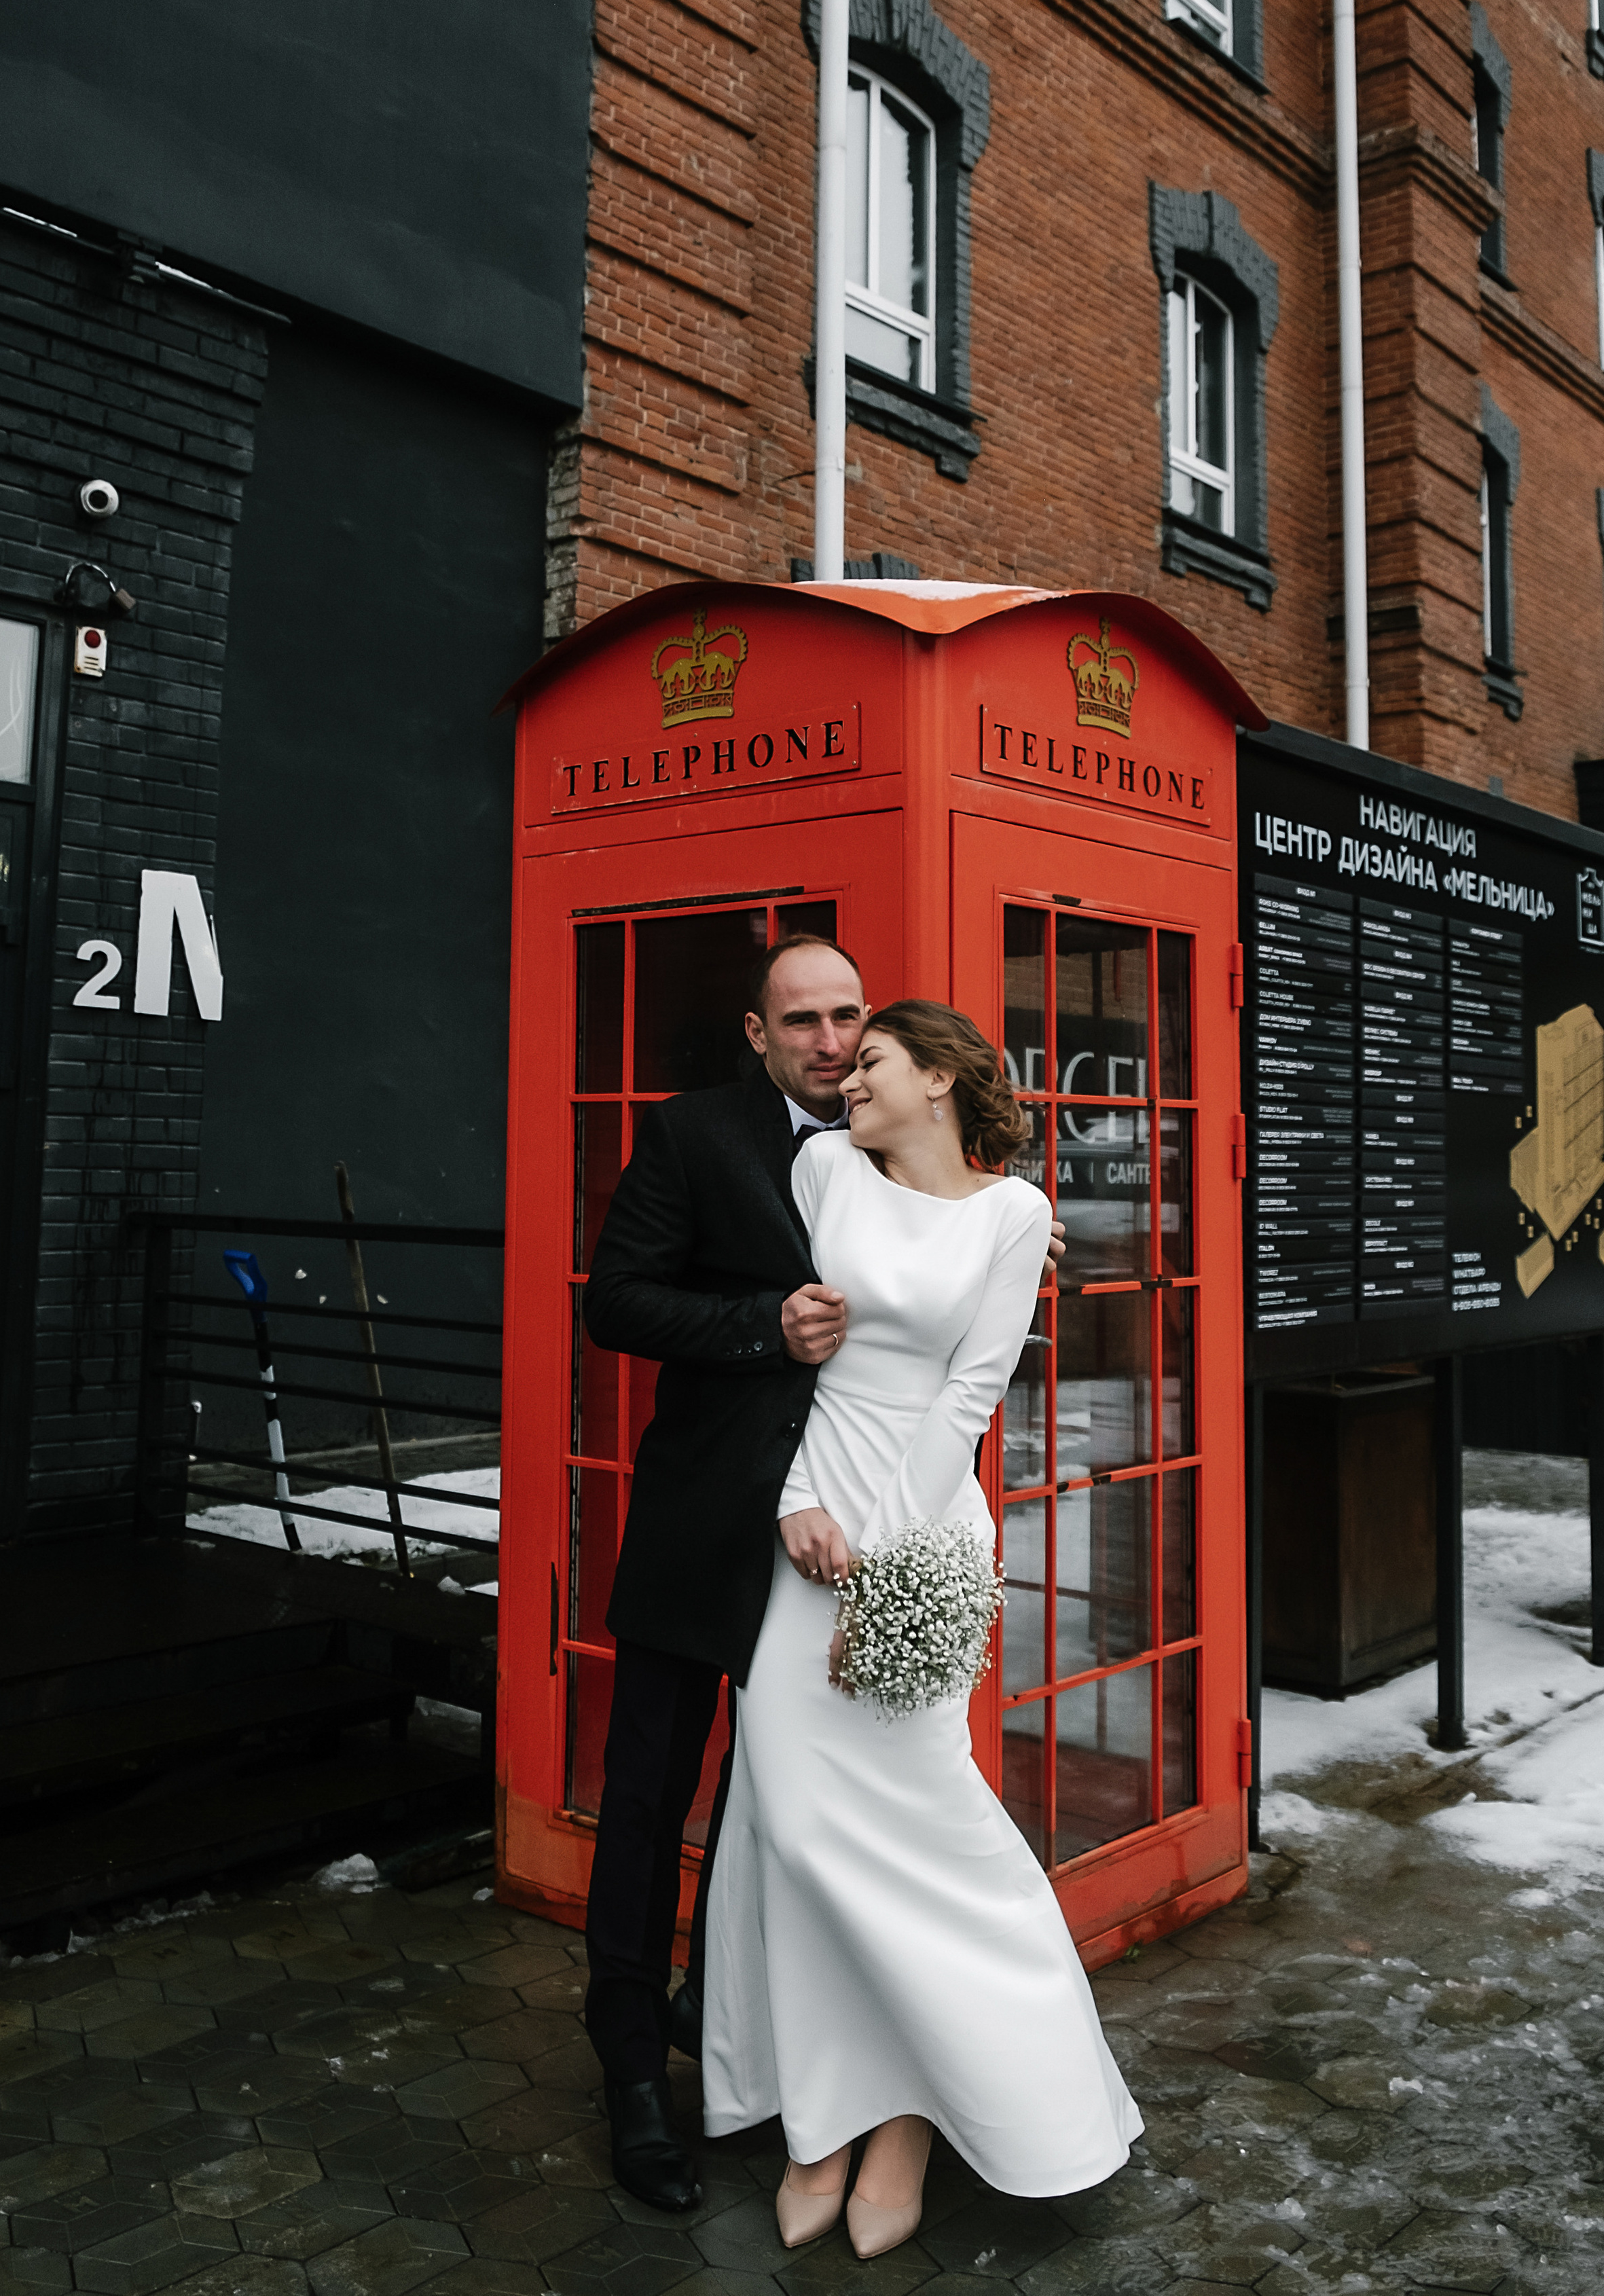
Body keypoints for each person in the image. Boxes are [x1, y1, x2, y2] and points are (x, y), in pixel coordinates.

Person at [701, 1000, 1143, 2257]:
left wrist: (886, 1566)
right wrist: (798, 1506)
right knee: (795, 1829)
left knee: (924, 1828)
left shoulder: (1013, 1216)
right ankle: (823, 2117)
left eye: (875, 1058)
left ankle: (907, 2124)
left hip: (925, 1535)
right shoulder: (823, 1168)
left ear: (940, 1077)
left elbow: (969, 1394)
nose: (849, 1076)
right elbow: (783, 1348)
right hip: (804, 1525)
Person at [579, 935, 869, 2211]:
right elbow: (618, 1303)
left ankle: (747, 2029)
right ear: (758, 1035)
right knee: (648, 1802)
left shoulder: (900, 1137)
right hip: (705, 1529)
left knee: (792, 1812)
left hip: (843, 1546)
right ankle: (632, 2070)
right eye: (799, 1019)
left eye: (846, 1014)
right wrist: (763, 1326)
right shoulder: (693, 1135)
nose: (828, 1039)